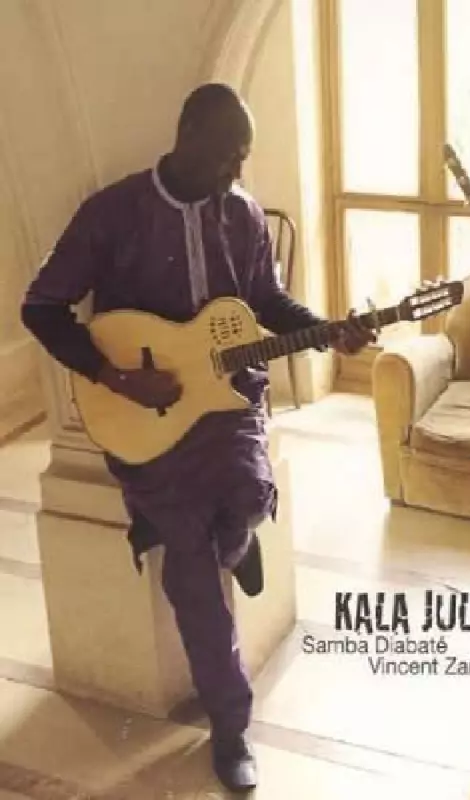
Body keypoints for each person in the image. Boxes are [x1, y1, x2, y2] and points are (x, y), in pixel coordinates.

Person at [21, 83, 373, 792]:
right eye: (226, 157)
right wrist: (120, 379)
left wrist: (326, 329)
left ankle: (235, 540)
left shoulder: (242, 214)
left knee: (249, 497)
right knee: (190, 569)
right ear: (186, 137)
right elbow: (42, 307)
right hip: (146, 417)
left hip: (230, 403)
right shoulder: (112, 213)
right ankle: (231, 727)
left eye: (243, 158)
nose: (236, 173)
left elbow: (265, 301)